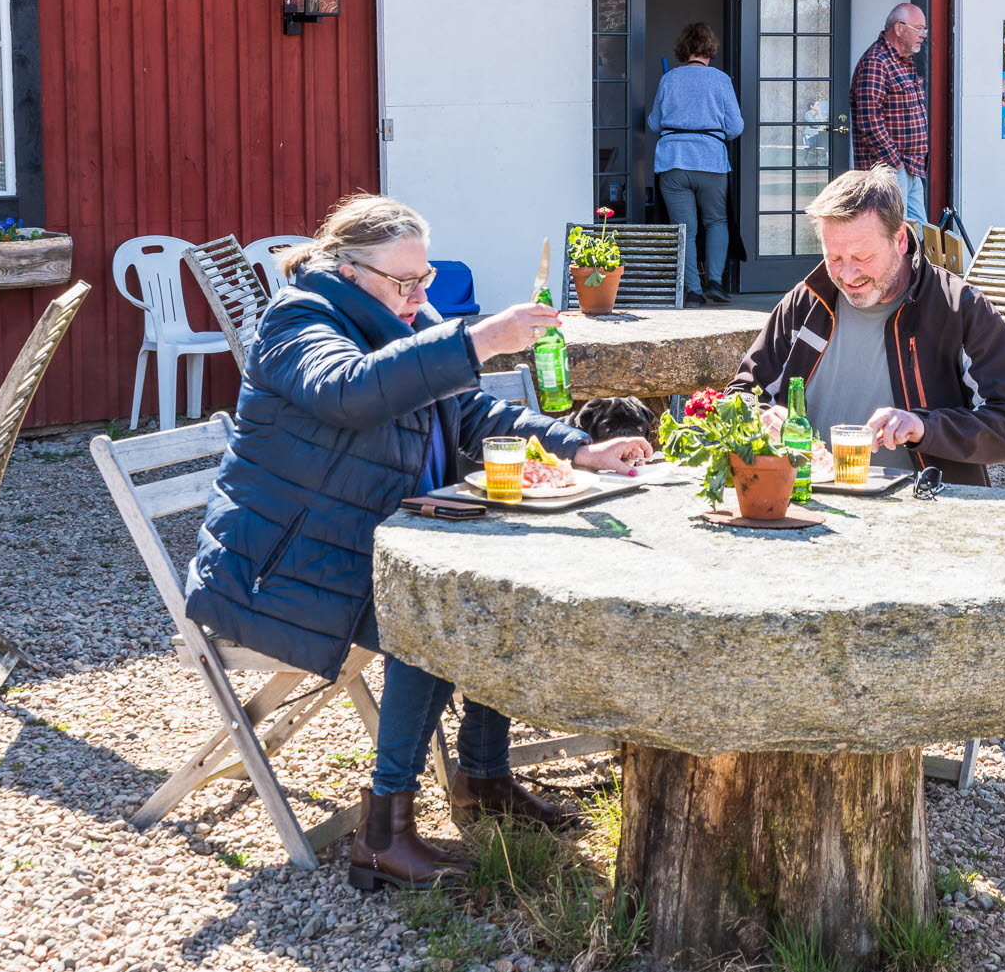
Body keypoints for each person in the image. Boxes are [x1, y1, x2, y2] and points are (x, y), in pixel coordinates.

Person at [182, 194, 654, 891]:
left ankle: (483, 778)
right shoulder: (297, 321)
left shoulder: (402, 316)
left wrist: (578, 448)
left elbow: (469, 409)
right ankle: (383, 831)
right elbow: (348, 391)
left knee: (489, 596)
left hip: (359, 546)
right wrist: (476, 341)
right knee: (431, 617)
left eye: (425, 279)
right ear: (346, 270)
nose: (419, 294)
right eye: (404, 282)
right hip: (279, 567)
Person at [724, 167, 1005, 485]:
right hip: (813, 497)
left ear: (899, 239)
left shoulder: (960, 308)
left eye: (863, 256)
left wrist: (924, 427)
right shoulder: (806, 301)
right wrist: (757, 418)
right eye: (834, 258)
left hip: (926, 507)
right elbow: (742, 394)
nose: (847, 275)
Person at [645, 22, 744, 306]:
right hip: (711, 161)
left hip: (673, 162)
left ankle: (692, 291)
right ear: (710, 49)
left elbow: (654, 123)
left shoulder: (669, 79)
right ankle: (714, 280)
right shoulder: (720, 79)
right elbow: (735, 127)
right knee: (716, 221)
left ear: (683, 49)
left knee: (684, 228)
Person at [850, 3, 930, 224]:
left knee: (919, 235)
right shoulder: (876, 62)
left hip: (911, 166)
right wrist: (895, 164)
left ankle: (917, 261)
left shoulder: (904, 62)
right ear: (899, 28)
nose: (923, 35)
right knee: (895, 235)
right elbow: (869, 121)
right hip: (889, 170)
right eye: (919, 28)